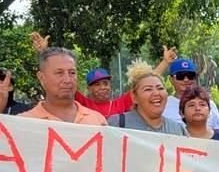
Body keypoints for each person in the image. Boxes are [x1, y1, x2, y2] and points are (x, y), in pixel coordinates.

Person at [30, 32, 175, 117]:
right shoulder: (82, 103)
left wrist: (165, 62)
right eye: (97, 84)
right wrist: (43, 51)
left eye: (105, 83)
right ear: (89, 88)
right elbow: (56, 77)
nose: (103, 87)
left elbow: (147, 83)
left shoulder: (120, 103)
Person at [163, 58, 219, 129]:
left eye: (190, 75)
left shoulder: (209, 104)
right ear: (171, 80)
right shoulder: (163, 105)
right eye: (180, 76)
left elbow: (218, 133)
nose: (186, 80)